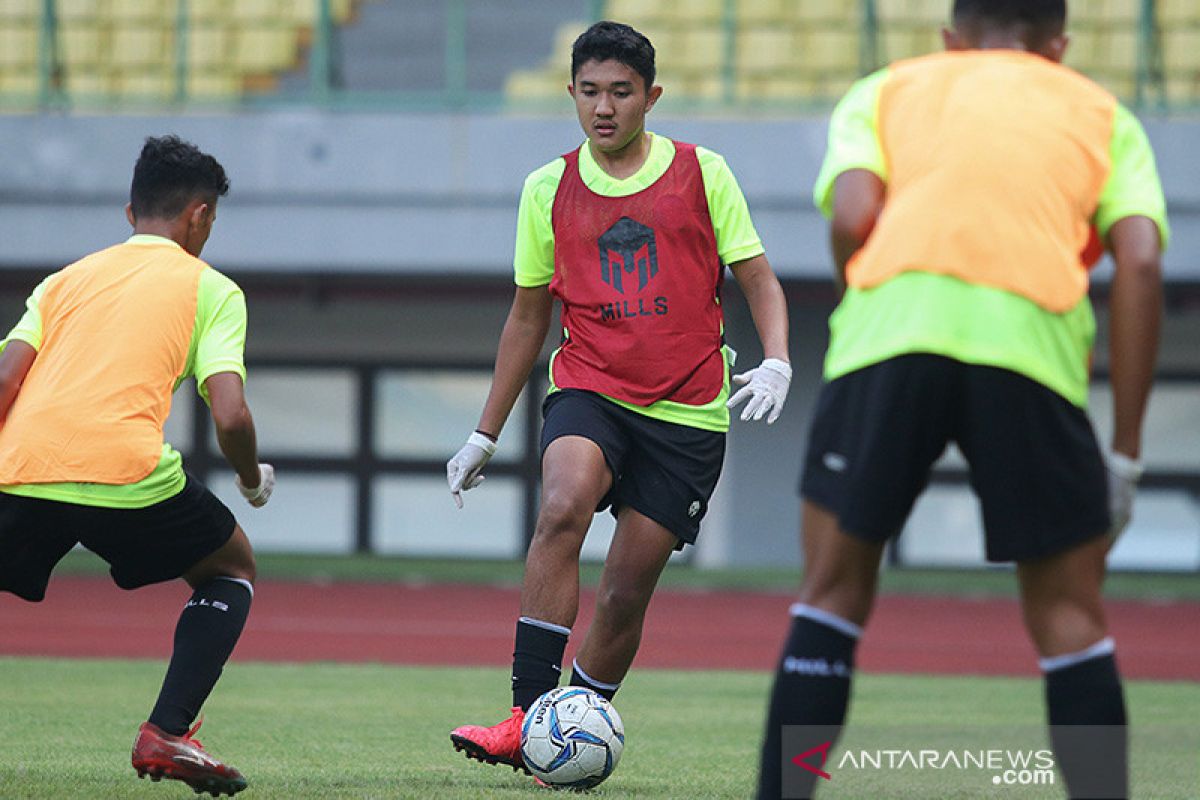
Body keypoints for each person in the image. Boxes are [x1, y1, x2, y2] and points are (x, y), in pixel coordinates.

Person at [755, 1, 1168, 797]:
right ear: (1059, 45)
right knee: (1070, 621)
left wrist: (877, 306)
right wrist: (1125, 450)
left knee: (832, 599)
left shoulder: (887, 89)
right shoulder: (1100, 112)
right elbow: (1141, 263)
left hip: (890, 340)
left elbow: (852, 213)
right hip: (1030, 352)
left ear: (950, 38)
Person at [445, 20, 792, 780]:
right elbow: (528, 316)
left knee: (625, 592)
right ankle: (524, 715)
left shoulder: (704, 172)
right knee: (562, 505)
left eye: (621, 92)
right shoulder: (548, 187)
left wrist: (778, 362)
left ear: (651, 97)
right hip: (590, 388)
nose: (604, 107)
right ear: (570, 93)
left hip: (688, 412)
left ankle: (562, 741)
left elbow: (758, 277)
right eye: (590, 92)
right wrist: (484, 434)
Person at [0, 135, 275, 798]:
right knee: (230, 568)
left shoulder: (62, 283)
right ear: (201, 216)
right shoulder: (212, 289)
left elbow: (6, 382)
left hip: (23, 462)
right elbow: (232, 417)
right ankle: (167, 731)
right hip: (127, 470)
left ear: (131, 213)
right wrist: (248, 477)